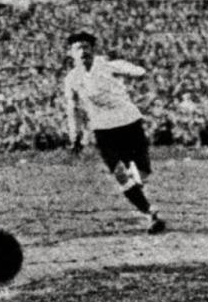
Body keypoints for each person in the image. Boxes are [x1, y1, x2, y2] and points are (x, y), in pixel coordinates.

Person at [63, 31, 166, 234]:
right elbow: (72, 108)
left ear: (93, 50)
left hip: (129, 123)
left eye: (86, 47)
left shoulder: (108, 65)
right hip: (103, 131)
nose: (83, 51)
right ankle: (150, 213)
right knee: (120, 175)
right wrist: (74, 135)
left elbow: (142, 73)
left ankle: (139, 191)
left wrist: (151, 92)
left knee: (142, 171)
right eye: (78, 48)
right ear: (71, 54)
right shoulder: (72, 79)